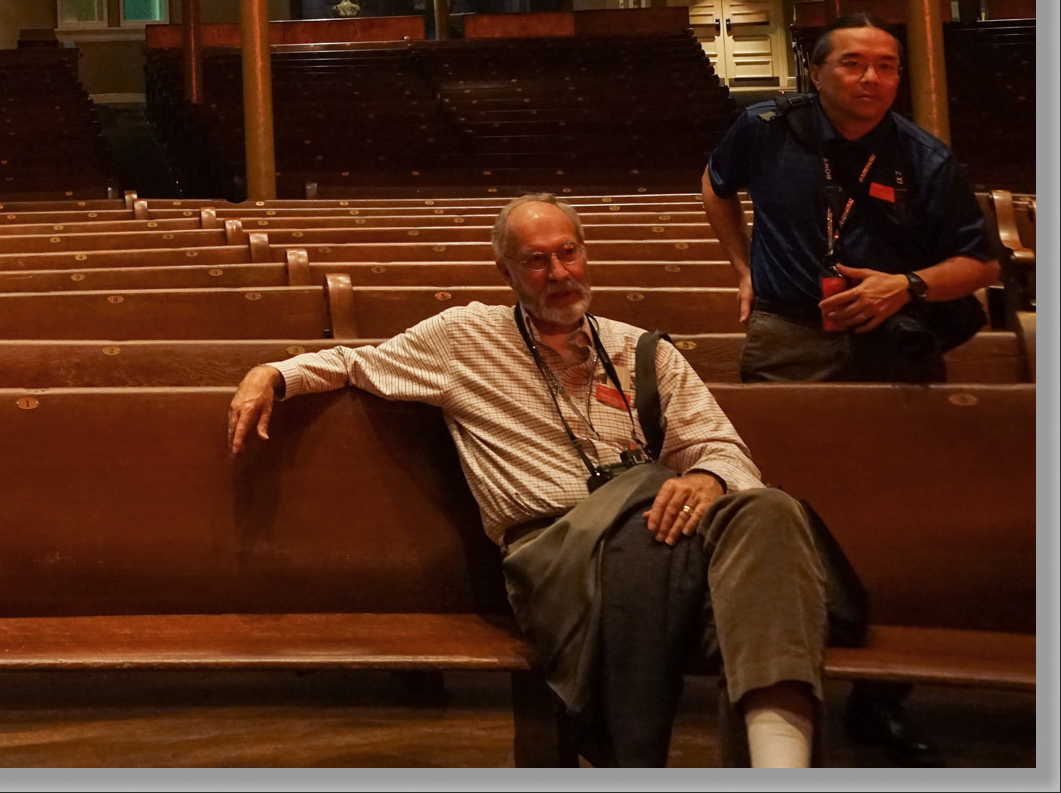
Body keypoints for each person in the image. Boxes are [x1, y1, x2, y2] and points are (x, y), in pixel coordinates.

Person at [226, 196, 826, 769]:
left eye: (569, 252)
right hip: (556, 552)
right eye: (537, 260)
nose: (559, 272)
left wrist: (707, 477)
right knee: (728, 583)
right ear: (506, 270)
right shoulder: (463, 338)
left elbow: (724, 449)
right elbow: (355, 361)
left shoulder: (643, 351)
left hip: (656, 538)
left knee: (769, 510)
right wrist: (271, 373)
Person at [701, 9, 1003, 766]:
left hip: (891, 347)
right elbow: (713, 185)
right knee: (775, 505)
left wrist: (905, 285)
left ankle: (880, 698)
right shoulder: (767, 127)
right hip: (789, 334)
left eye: (887, 66)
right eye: (854, 64)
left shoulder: (925, 157)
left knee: (896, 514)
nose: (872, 79)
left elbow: (983, 266)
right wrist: (744, 270)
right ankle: (772, 686)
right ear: (817, 70)